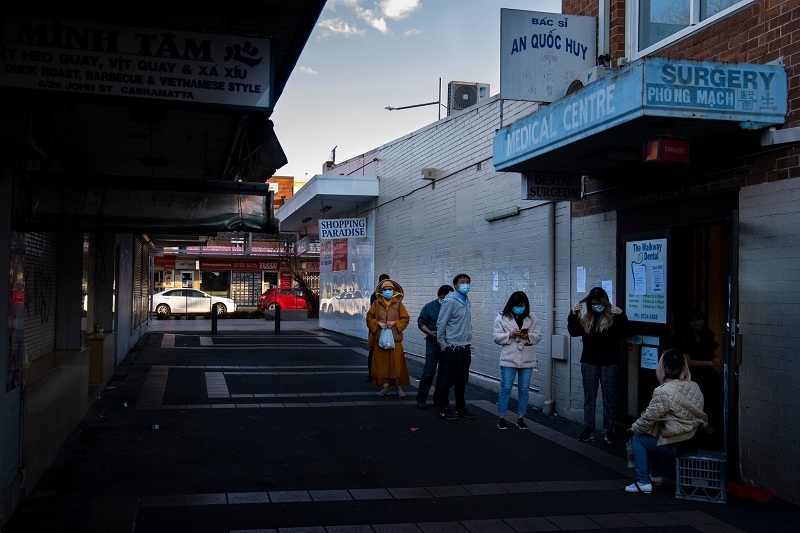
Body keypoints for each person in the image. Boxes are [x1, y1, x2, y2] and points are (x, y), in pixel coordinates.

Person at [625, 348, 708, 494]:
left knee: (639, 438)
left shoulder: (663, 391)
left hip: (679, 443)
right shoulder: (695, 386)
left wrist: (633, 428)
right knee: (655, 435)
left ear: (662, 368)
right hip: (694, 439)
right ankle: (655, 476)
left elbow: (648, 418)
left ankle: (643, 482)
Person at [568, 286, 628, 444]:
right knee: (590, 397)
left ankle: (609, 430)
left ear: (605, 302)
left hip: (609, 363)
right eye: (593, 303)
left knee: (609, 398)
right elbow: (573, 331)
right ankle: (589, 428)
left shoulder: (613, 319)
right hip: (589, 362)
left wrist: (622, 316)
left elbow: (625, 333)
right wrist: (573, 313)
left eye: (599, 303)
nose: (596, 306)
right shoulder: (587, 319)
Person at [493, 291, 542, 430]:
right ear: (512, 304)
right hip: (510, 356)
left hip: (527, 356)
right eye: (517, 305)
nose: (520, 307)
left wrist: (527, 336)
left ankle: (521, 417)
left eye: (523, 305)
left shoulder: (531, 317)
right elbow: (496, 337)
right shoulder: (502, 317)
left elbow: (538, 336)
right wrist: (510, 335)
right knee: (506, 387)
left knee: (524, 389)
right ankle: (501, 417)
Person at [434, 273, 477, 421]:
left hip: (465, 346)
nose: (466, 284)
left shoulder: (466, 300)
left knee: (462, 380)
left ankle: (461, 407)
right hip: (452, 347)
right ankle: (443, 407)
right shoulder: (450, 301)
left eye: (468, 282)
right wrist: (443, 345)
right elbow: (441, 323)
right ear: (456, 285)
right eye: (462, 282)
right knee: (448, 379)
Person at [681, 308, 724, 444]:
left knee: (714, 395)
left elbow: (716, 354)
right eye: (693, 320)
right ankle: (702, 425)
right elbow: (687, 361)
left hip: (710, 374)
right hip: (695, 375)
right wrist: (708, 363)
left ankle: (711, 423)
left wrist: (716, 361)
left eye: (699, 320)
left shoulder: (708, 335)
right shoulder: (686, 338)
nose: (697, 323)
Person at [366, 278, 411, 396]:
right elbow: (369, 317)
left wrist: (395, 323)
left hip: (395, 340)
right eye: (385, 289)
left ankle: (399, 387)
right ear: (381, 291)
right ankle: (385, 387)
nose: (387, 291)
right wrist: (378, 323)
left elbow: (405, 318)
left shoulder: (398, 303)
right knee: (382, 365)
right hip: (380, 339)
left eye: (390, 289)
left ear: (394, 290)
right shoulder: (376, 303)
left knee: (397, 364)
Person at [415, 284, 454, 409]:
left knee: (443, 373)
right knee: (429, 371)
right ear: (439, 296)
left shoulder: (454, 307)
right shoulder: (430, 307)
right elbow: (421, 321)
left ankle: (439, 399)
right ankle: (421, 399)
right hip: (432, 342)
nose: (445, 301)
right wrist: (430, 332)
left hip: (448, 343)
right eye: (443, 298)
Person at [365, 273, 390, 381]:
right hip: (376, 327)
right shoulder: (375, 296)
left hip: (387, 327)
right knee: (373, 351)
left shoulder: (393, 296)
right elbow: (372, 314)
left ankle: (382, 374)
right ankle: (371, 374)